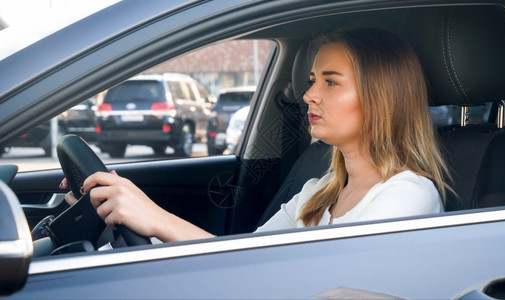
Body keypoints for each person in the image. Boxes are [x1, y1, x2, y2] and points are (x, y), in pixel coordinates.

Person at [60, 28, 451, 241]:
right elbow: (241, 259)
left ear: (380, 99)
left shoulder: (407, 196)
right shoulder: (318, 191)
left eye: (331, 83)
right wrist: (118, 213)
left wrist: (157, 218)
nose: (308, 94)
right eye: (313, 80)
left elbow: (323, 286)